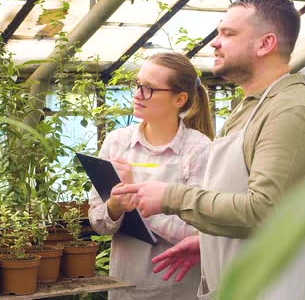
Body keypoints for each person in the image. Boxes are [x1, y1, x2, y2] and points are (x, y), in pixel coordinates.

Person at [111, 0, 305, 300]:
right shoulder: (251, 108)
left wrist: (171, 197)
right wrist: (207, 242)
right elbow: (238, 195)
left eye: (228, 33)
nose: (214, 43)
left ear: (265, 44)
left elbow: (266, 211)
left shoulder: (290, 112)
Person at [88, 52, 213, 300]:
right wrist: (114, 206)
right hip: (123, 286)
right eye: (137, 85)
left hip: (176, 290)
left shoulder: (199, 149)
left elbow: (200, 233)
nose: (137, 94)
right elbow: (98, 222)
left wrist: (134, 194)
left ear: (179, 98)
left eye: (149, 89)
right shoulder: (117, 142)